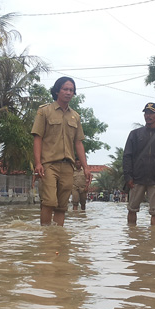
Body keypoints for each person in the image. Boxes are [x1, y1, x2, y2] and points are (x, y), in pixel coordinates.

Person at [32, 77, 91, 226]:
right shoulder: (44, 111)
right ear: (57, 91)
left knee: (62, 206)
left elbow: (78, 143)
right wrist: (38, 163)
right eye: (65, 89)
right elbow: (37, 138)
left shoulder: (75, 116)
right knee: (50, 201)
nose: (68, 92)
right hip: (48, 165)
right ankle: (45, 235)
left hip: (68, 166)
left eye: (71, 90)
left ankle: (57, 237)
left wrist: (86, 167)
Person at [123, 102, 155, 226]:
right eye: (146, 113)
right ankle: (132, 235)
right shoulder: (134, 134)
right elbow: (127, 156)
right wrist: (128, 177)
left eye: (152, 113)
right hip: (136, 179)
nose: (148, 115)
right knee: (132, 209)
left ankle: (154, 239)